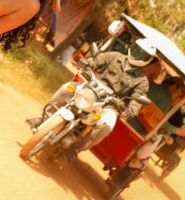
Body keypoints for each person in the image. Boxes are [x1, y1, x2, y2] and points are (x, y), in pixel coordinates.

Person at [25, 39, 159, 150]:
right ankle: (45, 119)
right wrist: (86, 64)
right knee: (66, 88)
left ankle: (76, 147)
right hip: (89, 89)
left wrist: (132, 109)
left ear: (148, 59)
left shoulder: (142, 81)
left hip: (110, 105)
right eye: (138, 50)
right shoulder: (114, 56)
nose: (138, 55)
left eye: (144, 54)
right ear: (132, 47)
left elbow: (138, 98)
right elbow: (95, 61)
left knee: (106, 127)